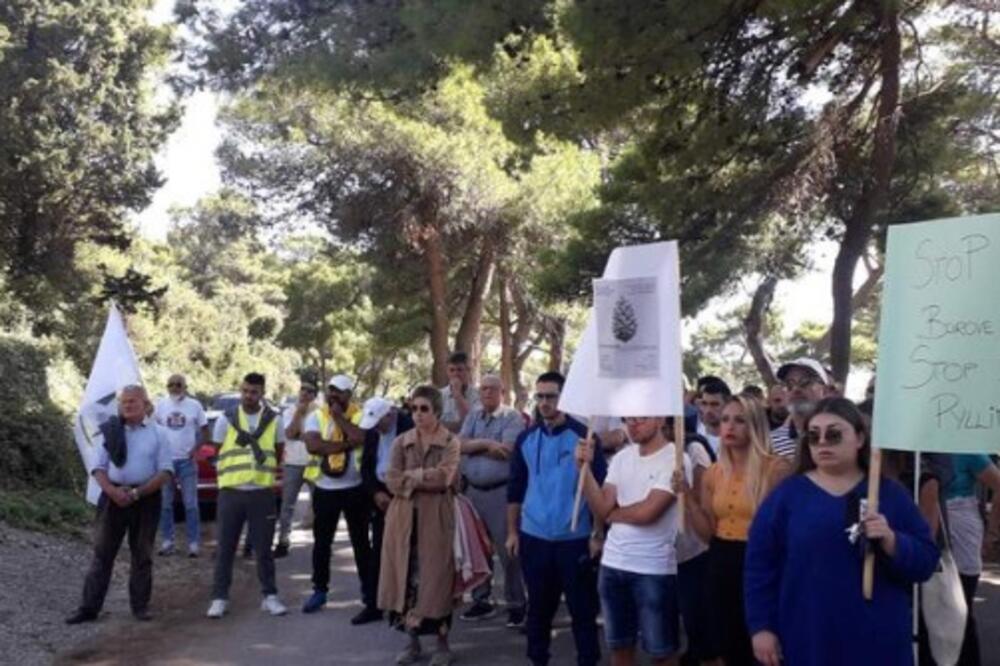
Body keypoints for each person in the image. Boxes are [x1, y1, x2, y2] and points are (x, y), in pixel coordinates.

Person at [745, 398, 939, 666]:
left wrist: (892, 541)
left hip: (877, 639)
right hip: (808, 636)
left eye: (834, 434)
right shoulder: (786, 497)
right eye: (813, 436)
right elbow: (759, 566)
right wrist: (762, 626)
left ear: (859, 438)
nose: (822, 442)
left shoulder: (890, 495)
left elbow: (926, 561)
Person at [677, 394, 789, 666]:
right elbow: (707, 534)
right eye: (726, 419)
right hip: (720, 561)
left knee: (764, 647)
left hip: (761, 563)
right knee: (728, 644)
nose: (729, 426)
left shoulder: (776, 469)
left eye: (740, 420)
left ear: (755, 425)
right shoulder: (715, 472)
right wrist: (687, 497)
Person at [507, 371, 605, 666]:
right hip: (534, 538)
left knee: (582, 613)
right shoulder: (525, 438)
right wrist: (512, 532)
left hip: (574, 540)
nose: (544, 402)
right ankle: (538, 660)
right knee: (538, 611)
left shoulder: (585, 438)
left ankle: (588, 661)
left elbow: (601, 490)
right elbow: (515, 489)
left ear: (565, 398)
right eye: (540, 396)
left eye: (551, 396)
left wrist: (598, 535)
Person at [577, 414, 684, 666]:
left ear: (659, 420)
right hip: (613, 565)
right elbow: (601, 507)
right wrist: (584, 469)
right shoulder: (622, 457)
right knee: (619, 648)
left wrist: (611, 515)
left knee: (662, 652)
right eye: (628, 418)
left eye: (642, 418)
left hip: (654, 569)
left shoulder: (676, 459)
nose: (633, 423)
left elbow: (648, 513)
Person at [67, 385, 174, 624]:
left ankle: (140, 607)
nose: (127, 405)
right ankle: (88, 609)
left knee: (142, 555)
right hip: (112, 499)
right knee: (102, 555)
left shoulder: (159, 433)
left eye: (133, 401)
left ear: (146, 405)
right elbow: (98, 468)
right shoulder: (110, 431)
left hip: (145, 500)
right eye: (124, 401)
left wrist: (137, 493)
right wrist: (113, 492)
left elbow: (165, 471)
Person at [378, 385, 461, 666]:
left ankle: (442, 644)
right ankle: (411, 643)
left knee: (437, 580)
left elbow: (445, 478)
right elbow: (391, 479)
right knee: (406, 579)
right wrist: (422, 478)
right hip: (403, 521)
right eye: (413, 408)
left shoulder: (450, 441)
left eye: (424, 409)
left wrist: (411, 478)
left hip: (436, 520)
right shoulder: (401, 442)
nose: (418, 414)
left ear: (436, 411)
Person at [206, 372, 287, 619]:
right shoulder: (226, 420)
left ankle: (270, 596)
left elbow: (278, 450)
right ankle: (219, 598)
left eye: (254, 392)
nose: (249, 396)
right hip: (231, 492)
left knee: (264, 549)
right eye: (245, 391)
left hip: (261, 492)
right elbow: (218, 451)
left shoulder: (274, 420)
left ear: (262, 393)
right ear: (241, 391)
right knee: (225, 548)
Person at [301, 374, 380, 624]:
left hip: (355, 489)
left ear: (349, 395)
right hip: (325, 489)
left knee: (361, 544)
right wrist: (347, 444)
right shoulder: (316, 415)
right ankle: (319, 590)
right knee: (322, 543)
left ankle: (370, 597)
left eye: (340, 391)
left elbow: (362, 437)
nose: (334, 395)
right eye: (331, 390)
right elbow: (313, 446)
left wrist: (338, 418)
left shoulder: (360, 414)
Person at [457, 374, 527, 624]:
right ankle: (481, 600)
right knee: (477, 549)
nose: (486, 393)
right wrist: (487, 443)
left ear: (502, 392)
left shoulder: (512, 418)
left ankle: (517, 604)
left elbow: (508, 451)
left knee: (508, 552)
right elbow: (458, 445)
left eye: (491, 389)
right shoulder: (474, 415)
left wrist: (473, 447)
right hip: (473, 493)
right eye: (483, 389)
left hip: (501, 494)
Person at [944, 454, 1000, 665]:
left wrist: (993, 533)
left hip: (961, 530)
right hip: (928, 525)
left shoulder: (967, 449)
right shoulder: (920, 448)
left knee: (960, 607)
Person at [669, 420, 715, 666]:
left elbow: (703, 497)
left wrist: (684, 492)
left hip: (694, 551)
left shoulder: (692, 448)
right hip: (662, 555)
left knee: (698, 624)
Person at [360, 396, 414, 597]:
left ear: (390, 415)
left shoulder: (409, 429)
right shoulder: (373, 433)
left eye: (378, 423)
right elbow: (365, 466)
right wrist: (375, 493)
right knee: (380, 550)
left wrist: (400, 492)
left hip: (404, 494)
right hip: (381, 495)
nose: (376, 428)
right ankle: (374, 601)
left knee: (407, 551)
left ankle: (406, 600)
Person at [154, 374, 209, 557]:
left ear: (185, 386)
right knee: (165, 504)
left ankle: (193, 543)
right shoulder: (160, 405)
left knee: (190, 504)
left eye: (179, 384)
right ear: (167, 386)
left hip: (187, 462)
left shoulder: (195, 406)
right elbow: (153, 430)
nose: (175, 387)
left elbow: (204, 431)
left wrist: (195, 449)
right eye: (171, 384)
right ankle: (167, 541)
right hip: (166, 463)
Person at [274, 381, 318, 558]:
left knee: (320, 505)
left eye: (310, 391)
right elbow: (290, 434)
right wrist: (299, 414)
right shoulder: (289, 411)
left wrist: (303, 437)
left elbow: (317, 438)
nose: (305, 393)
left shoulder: (320, 413)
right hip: (293, 463)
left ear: (315, 395)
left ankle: (321, 542)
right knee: (287, 505)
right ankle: (283, 541)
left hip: (313, 463)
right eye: (303, 389)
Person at [770, 357, 828, 459]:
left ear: (824, 390)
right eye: (789, 384)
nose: (796, 389)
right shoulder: (769, 443)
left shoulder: (839, 436)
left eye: (805, 382)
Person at [440, 351, 480, 433]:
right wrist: (460, 425)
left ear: (468, 371)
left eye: (459, 370)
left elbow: (473, 424)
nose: (456, 374)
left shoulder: (478, 395)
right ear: (447, 372)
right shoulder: (439, 395)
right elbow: (434, 425)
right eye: (452, 370)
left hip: (470, 443)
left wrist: (457, 395)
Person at [696, 377, 731, 456]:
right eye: (704, 404)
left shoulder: (736, 439)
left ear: (727, 405)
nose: (708, 410)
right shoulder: (694, 436)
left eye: (714, 404)